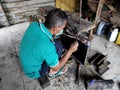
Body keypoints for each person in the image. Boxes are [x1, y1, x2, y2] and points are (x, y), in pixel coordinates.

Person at [19, 8, 79, 79]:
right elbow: (56, 67)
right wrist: (70, 51)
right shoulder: (47, 46)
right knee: (58, 48)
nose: (62, 30)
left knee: (57, 43)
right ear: (56, 29)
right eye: (62, 27)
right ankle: (51, 73)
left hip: (27, 62)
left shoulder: (34, 25)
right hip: (33, 72)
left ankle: (50, 63)